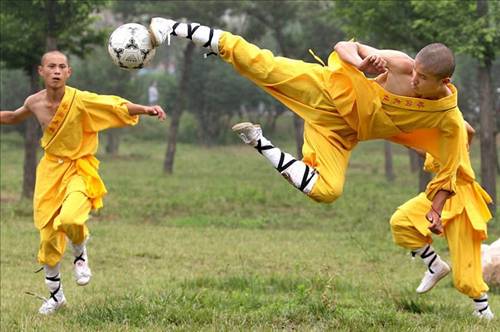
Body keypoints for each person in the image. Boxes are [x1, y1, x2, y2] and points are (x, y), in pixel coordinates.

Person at [148, 17, 468, 246]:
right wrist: (358, 62)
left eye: (423, 78)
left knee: (328, 192)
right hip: (327, 90)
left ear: (444, 83)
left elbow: (448, 171)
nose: (414, 79)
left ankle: (260, 142)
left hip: (340, 135)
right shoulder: (400, 64)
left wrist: (435, 212)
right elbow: (345, 45)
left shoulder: (448, 120)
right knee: (260, 64)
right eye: (415, 72)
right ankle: (175, 27)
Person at [0, 50, 166, 315]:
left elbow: (114, 105)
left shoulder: (80, 100)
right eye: (51, 66)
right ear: (41, 71)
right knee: (48, 238)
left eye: (61, 67)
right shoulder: (34, 102)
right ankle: (56, 298)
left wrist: (145, 109)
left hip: (79, 168)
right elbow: (11, 117)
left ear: (69, 73)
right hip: (49, 172)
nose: (56, 71)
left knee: (70, 219)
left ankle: (80, 253)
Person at [390, 122, 494, 320]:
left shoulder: (455, 134)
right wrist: (399, 137)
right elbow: (425, 152)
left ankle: (483, 312)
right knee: (401, 221)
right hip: (438, 194)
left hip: (462, 199)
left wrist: (447, 112)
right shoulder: (433, 141)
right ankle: (434, 265)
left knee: (464, 277)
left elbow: (470, 130)